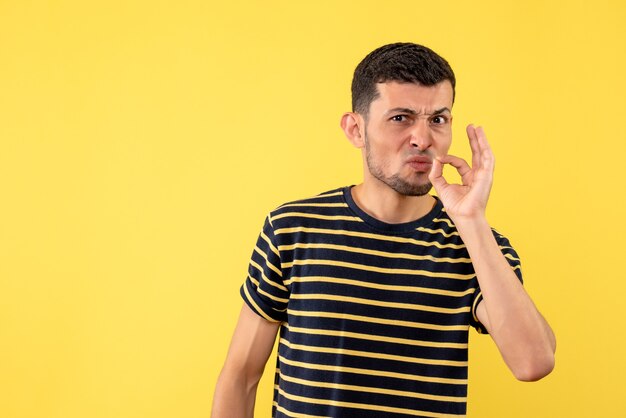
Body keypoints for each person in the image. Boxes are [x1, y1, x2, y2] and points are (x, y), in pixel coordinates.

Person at [211, 42, 556, 418]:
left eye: (438, 119)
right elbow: (241, 377)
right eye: (401, 118)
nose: (423, 139)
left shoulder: (476, 247)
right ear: (355, 129)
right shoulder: (293, 229)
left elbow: (533, 362)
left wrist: (472, 221)